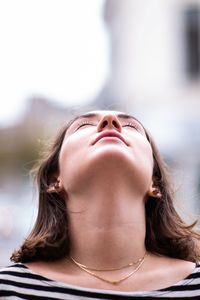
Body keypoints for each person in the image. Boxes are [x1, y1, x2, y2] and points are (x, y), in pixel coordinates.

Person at [0, 110, 200, 299]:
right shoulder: (7, 288)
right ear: (54, 180)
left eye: (131, 126)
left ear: (155, 184)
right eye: (84, 125)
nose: (111, 121)